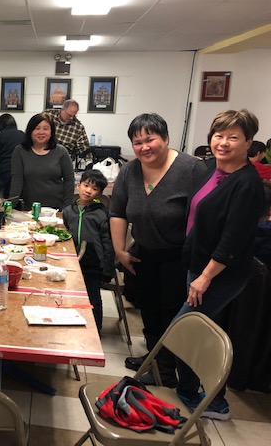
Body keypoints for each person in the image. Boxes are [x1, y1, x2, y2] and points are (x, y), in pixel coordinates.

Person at [174, 109, 264, 420]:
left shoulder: (247, 184)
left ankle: (213, 401)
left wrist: (205, 277)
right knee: (193, 333)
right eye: (218, 135)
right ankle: (189, 391)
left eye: (233, 137)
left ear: (249, 142)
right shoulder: (211, 169)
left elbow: (233, 240)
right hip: (198, 265)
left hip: (218, 274)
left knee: (184, 331)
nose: (223, 142)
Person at [109, 113, 206, 388]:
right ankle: (154, 358)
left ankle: (166, 370)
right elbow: (117, 212)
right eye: (137, 142)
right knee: (149, 308)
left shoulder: (191, 169)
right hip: (144, 253)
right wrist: (120, 250)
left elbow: (206, 215)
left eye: (150, 139)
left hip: (179, 256)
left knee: (171, 313)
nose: (144, 147)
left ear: (166, 138)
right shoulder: (130, 170)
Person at [62, 169, 115, 331]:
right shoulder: (68, 211)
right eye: (86, 185)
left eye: (94, 188)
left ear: (100, 193)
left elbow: (108, 243)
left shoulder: (101, 214)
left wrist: (107, 269)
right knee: (70, 294)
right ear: (78, 186)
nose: (88, 190)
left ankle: (96, 330)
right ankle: (73, 326)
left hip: (93, 262)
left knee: (93, 298)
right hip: (72, 262)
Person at [9, 112, 74, 210]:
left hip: (57, 209)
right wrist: (10, 207)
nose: (41, 132)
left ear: (51, 132)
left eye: (45, 128)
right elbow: (16, 181)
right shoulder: (20, 151)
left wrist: (67, 208)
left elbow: (69, 180)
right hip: (30, 209)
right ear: (30, 131)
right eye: (37, 128)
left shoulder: (61, 151)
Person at [0, 113, 25, 198]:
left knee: (3, 201)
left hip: (3, 173)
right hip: (21, 173)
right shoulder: (23, 136)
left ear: (0, 125)